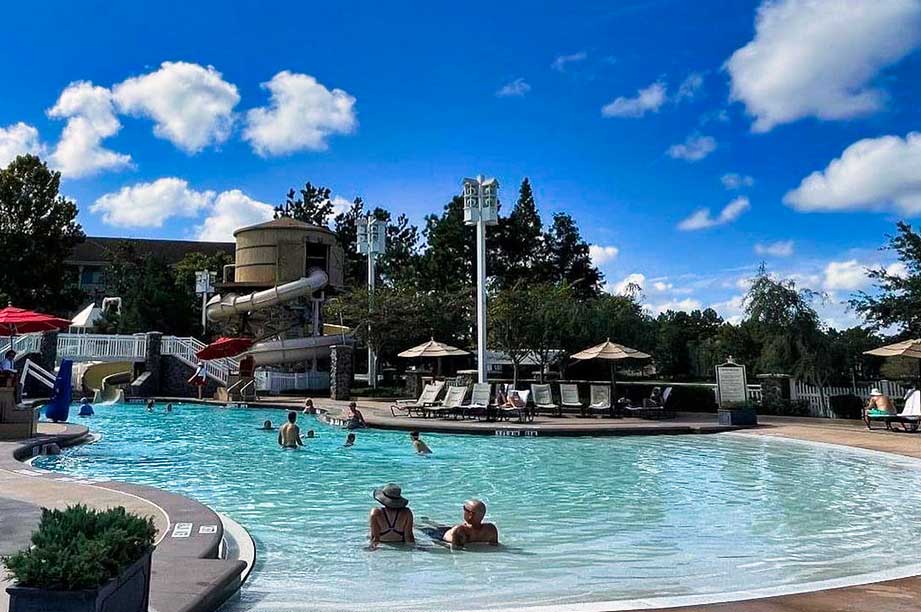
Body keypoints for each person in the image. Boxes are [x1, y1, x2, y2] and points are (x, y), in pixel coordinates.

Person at [423, 499, 499, 548]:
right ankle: (429, 522)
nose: (463, 511)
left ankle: (425, 522)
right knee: (440, 526)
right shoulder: (491, 529)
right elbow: (495, 546)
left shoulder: (460, 531)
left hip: (441, 535)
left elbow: (455, 549)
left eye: (465, 509)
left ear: (470, 515)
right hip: (451, 531)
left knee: (424, 528)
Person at [369, 483, 415, 548]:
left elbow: (375, 538)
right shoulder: (407, 513)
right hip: (401, 545)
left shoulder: (375, 513)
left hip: (384, 546)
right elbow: (409, 537)